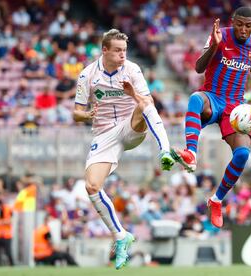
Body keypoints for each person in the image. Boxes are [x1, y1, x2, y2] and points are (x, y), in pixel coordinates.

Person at [170, 7, 251, 228]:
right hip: (212, 97)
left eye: (248, 25)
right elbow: (198, 68)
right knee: (195, 99)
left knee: (242, 155)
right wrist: (213, 46)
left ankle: (216, 200)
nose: (243, 29)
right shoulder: (220, 36)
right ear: (233, 22)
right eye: (239, 24)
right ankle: (191, 153)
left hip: (235, 108)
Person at [73, 29, 175, 269]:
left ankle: (165, 149)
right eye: (118, 51)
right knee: (91, 186)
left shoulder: (133, 69)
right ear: (104, 50)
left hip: (130, 127)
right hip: (104, 135)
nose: (122, 55)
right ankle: (120, 235)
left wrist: (133, 94)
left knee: (144, 102)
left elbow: (148, 102)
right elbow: (76, 112)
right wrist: (87, 114)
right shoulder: (87, 74)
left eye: (125, 51)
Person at [0, 195, 14, 266]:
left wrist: (0, 222)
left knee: (8, 252)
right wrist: (4, 221)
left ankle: (12, 265)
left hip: (6, 235)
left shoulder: (8, 209)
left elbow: (10, 220)